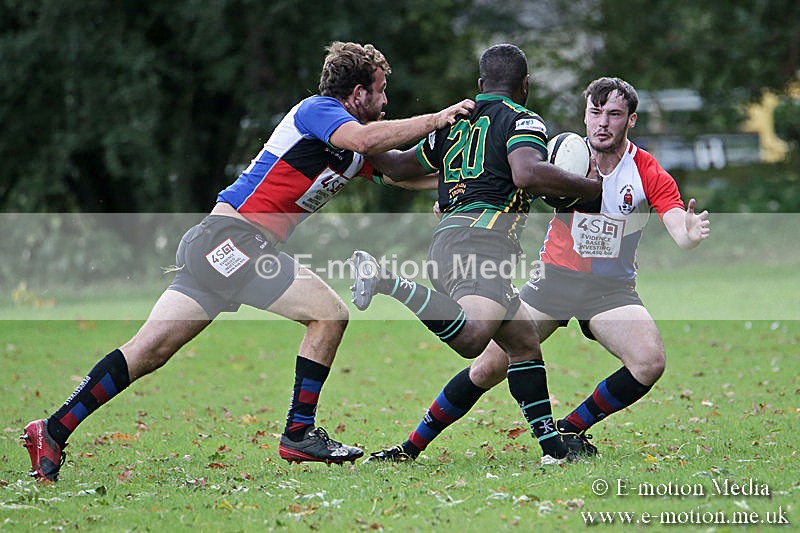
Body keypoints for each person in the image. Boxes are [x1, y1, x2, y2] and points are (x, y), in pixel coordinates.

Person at [20, 41, 475, 482]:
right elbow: (366, 135)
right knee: (329, 314)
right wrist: (436, 118)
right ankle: (298, 433)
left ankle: (53, 430)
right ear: (357, 94)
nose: (385, 100)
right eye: (380, 91)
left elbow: (400, 168)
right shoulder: (319, 111)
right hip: (232, 241)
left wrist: (466, 181)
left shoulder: (356, 150)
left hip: (221, 246)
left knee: (147, 352)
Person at [364, 76, 711, 463]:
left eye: (614, 114)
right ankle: (411, 447)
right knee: (488, 366)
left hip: (610, 290)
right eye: (595, 112)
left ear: (630, 120)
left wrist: (690, 232)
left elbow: (678, 225)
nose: (602, 123)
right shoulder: (561, 154)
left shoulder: (646, 170)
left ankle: (571, 427)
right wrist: (455, 199)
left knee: (649, 361)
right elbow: (497, 177)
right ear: (585, 115)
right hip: (553, 282)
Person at [350, 44, 601, 464]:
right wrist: (589, 188)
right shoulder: (523, 119)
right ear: (524, 86)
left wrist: (363, 127)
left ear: (481, 85)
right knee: (471, 339)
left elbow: (396, 166)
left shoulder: (454, 122)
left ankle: (551, 450)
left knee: (522, 347)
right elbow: (526, 173)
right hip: (478, 243)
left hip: (457, 239)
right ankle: (384, 279)